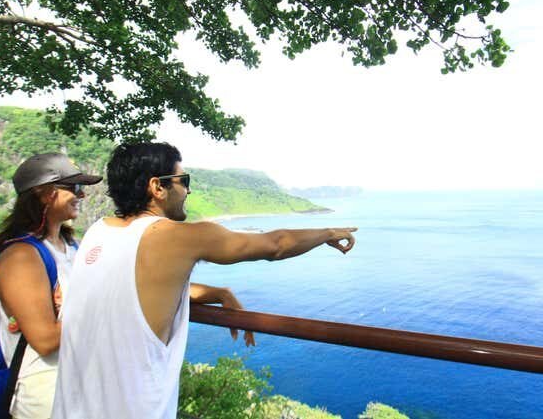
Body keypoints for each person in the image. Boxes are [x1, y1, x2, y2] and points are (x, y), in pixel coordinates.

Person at [53, 142, 356, 419]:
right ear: (157, 187)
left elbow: (136, 290)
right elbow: (275, 244)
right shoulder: (178, 237)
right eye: (183, 181)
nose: (187, 190)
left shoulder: (98, 233)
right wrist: (329, 233)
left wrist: (220, 293)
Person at [0, 153, 102, 418]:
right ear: (44, 194)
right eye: (74, 188)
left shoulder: (71, 247)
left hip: (78, 387)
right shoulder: (21, 256)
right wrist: (100, 301)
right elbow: (45, 339)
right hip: (45, 395)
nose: (82, 195)